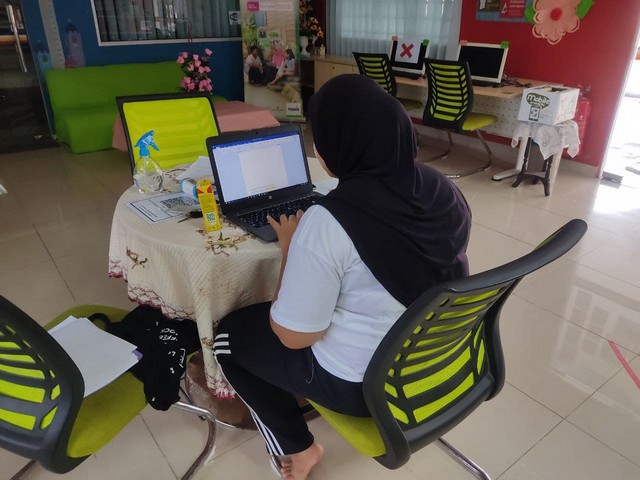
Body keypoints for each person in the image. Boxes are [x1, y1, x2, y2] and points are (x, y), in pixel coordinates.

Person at [213, 74, 471, 480]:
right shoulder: (442, 187)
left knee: (227, 338)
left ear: (336, 149)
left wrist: (291, 248)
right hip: (438, 359)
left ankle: (298, 447)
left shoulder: (329, 221)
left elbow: (293, 338)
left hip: (365, 388)